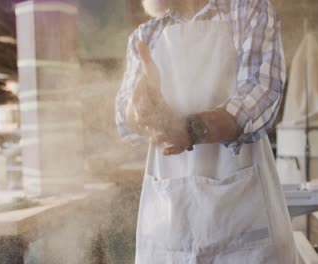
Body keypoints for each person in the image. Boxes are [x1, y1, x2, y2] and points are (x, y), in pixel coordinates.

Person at [115, 0, 298, 263]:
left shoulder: (249, 11)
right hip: (169, 226)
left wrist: (190, 130)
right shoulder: (145, 36)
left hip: (244, 224)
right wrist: (140, 112)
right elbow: (125, 122)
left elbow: (261, 97)